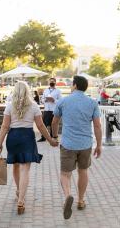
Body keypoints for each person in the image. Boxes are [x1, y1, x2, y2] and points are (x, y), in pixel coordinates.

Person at [0, 81, 58, 215]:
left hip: (13, 137)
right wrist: (50, 140)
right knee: (25, 169)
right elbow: (41, 126)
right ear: (27, 91)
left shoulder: (9, 106)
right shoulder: (34, 106)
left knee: (16, 166)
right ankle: (21, 200)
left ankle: (19, 191)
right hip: (27, 137)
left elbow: (5, 127)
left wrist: (0, 143)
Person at [51, 76, 102, 220]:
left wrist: (55, 137)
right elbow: (97, 125)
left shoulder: (63, 101)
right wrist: (99, 145)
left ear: (74, 85)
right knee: (83, 171)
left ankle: (68, 196)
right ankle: (80, 200)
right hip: (85, 144)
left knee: (65, 174)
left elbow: (54, 122)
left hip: (68, 144)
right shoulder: (92, 103)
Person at [38, 78, 62, 142]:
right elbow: (42, 99)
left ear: (55, 82)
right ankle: (43, 137)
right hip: (46, 109)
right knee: (44, 123)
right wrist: (44, 100)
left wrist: (54, 100)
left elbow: (60, 101)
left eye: (53, 81)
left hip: (53, 110)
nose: (51, 82)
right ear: (49, 82)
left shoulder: (58, 91)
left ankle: (52, 137)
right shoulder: (45, 90)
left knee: (53, 124)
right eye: (50, 81)